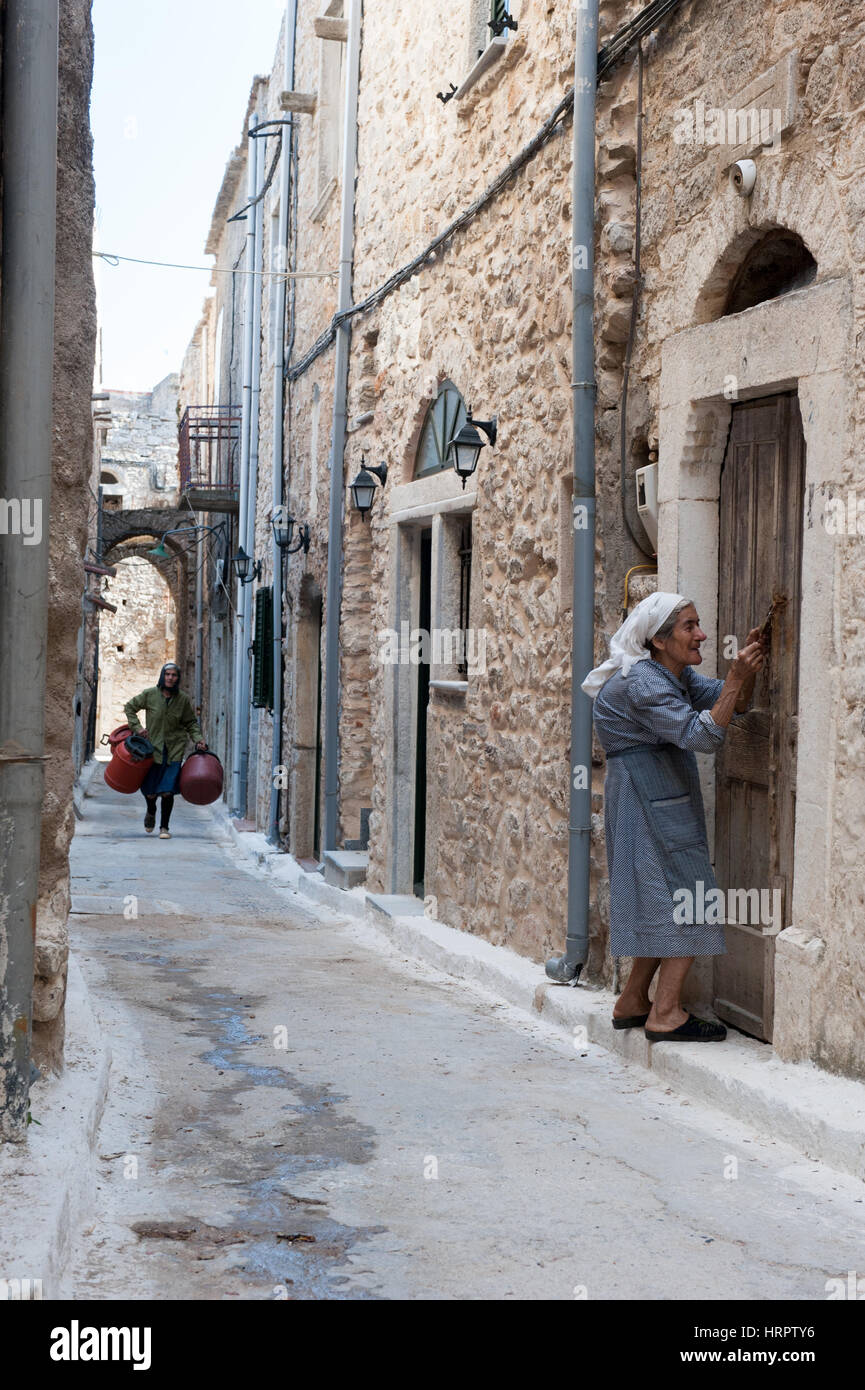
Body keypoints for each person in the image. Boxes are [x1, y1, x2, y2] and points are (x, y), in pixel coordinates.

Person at [582, 593, 765, 1042]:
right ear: (659, 640)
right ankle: (666, 1014)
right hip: (648, 800)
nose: (701, 634)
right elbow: (701, 735)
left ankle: (632, 1001)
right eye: (690, 627)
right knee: (690, 897)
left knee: (659, 900)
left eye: (699, 624)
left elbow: (732, 703)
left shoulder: (671, 676)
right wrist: (737, 676)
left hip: (651, 796)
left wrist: (746, 675)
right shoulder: (645, 683)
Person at [124, 662, 206, 840]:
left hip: (174, 750)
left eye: (174, 675)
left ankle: (164, 827)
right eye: (167, 674)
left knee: (168, 790)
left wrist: (198, 739)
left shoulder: (183, 699)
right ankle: (151, 810)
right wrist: (137, 728)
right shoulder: (149, 695)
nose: (170, 678)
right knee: (151, 792)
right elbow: (130, 707)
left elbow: (190, 723)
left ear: (178, 678)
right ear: (162, 676)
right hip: (152, 750)